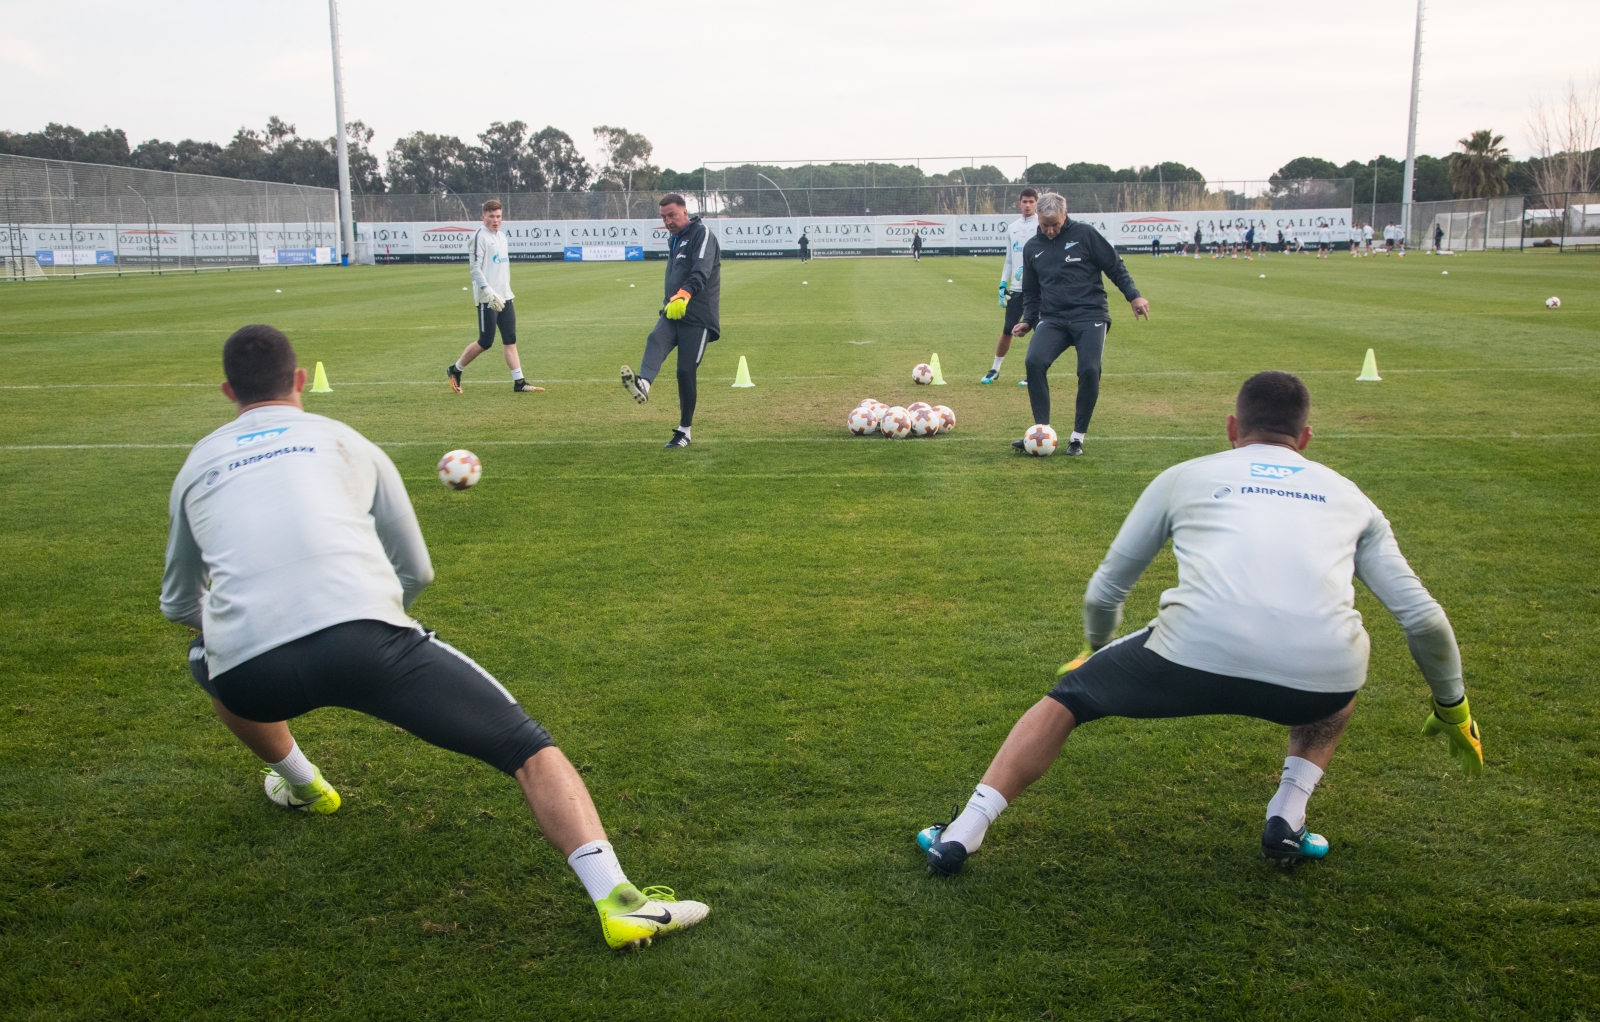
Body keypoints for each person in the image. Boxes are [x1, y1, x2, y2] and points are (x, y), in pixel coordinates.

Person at [164, 325, 709, 949]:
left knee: (208, 661)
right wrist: (376, 621)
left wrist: (243, 629)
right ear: (299, 381)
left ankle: (305, 785)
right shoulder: (345, 440)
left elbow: (179, 601)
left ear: (228, 391)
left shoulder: (197, 463)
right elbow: (417, 570)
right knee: (529, 750)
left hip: (250, 674)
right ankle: (620, 901)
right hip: (370, 645)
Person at [918, 371, 1483, 876]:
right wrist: (1451, 707)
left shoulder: (1185, 476)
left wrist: (1096, 648)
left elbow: (1107, 589)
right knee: (1338, 691)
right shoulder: (1351, 497)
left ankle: (962, 835)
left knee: (1066, 701)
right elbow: (1424, 619)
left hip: (1187, 656)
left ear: (1232, 427)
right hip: (1317, 681)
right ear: (1306, 438)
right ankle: (1285, 818)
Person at [1009, 191, 1149, 457]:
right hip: (1053, 318)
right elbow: (1031, 291)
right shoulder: (1032, 248)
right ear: (1037, 217)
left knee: (1089, 369)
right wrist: (1028, 320)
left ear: (1065, 215)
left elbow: (1115, 267)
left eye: (1055, 225)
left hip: (1090, 315)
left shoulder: (1085, 235)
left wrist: (1134, 296)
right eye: (1044, 225)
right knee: (1034, 361)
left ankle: (1077, 438)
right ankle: (1043, 432)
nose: (1050, 230)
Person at [621, 194, 722, 449]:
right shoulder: (674, 239)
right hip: (672, 311)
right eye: (664, 217)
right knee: (655, 338)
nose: (667, 221)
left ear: (685, 212)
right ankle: (642, 385)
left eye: (672, 215)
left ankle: (684, 431)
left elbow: (702, 270)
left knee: (685, 371)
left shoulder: (702, 234)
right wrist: (670, 302)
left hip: (697, 316)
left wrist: (684, 294)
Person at [447, 199, 543, 395]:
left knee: (510, 339)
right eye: (491, 216)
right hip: (487, 299)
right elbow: (475, 269)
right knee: (486, 341)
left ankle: (520, 382)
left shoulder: (502, 236)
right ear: (483, 216)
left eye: (498, 216)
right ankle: (455, 370)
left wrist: (505, 292)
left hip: (505, 297)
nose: (495, 220)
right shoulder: (479, 237)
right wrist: (489, 292)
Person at [982, 188, 1038, 385]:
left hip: (1039, 289)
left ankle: (1035, 373)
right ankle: (995, 369)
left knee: (1040, 331)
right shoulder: (1012, 227)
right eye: (1025, 201)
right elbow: (1009, 260)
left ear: (1036, 203)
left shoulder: (1042, 225)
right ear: (1019, 203)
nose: (1028, 205)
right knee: (1008, 329)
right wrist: (1003, 283)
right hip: (1017, 288)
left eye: (1031, 201)